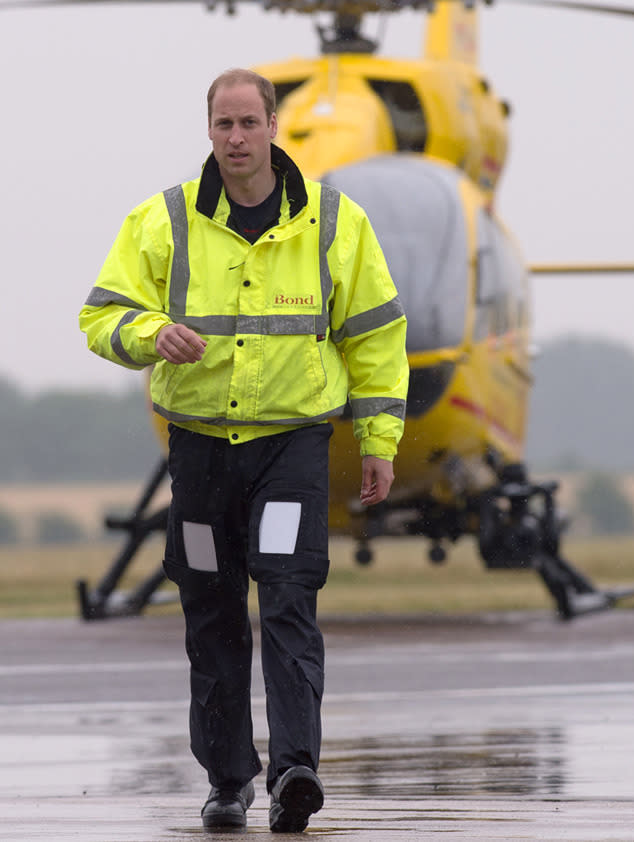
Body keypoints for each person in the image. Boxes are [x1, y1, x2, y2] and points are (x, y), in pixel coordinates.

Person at [79, 68, 409, 833]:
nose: (235, 138)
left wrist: (379, 439)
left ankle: (295, 769)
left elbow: (376, 335)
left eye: (248, 124)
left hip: (290, 451)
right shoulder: (161, 221)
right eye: (223, 125)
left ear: (272, 128)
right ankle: (228, 780)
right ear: (209, 131)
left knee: (289, 600)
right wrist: (147, 333)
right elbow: (101, 315)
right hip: (197, 456)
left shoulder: (334, 222)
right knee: (212, 613)